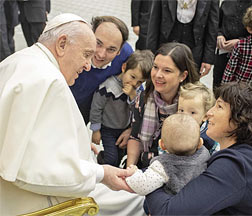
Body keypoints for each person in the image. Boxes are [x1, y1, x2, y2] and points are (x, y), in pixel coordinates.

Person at [0, 13, 144, 216]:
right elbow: (27, 168)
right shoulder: (49, 80)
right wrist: (101, 173)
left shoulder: (21, 59)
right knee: (137, 201)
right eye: (86, 54)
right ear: (62, 44)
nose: (88, 64)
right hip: (39, 199)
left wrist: (78, 143)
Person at [145, 82, 252, 215]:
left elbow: (168, 212)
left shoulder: (234, 165)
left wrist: (149, 181)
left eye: (219, 106)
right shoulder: (247, 159)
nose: (209, 112)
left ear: (239, 120)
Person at [126, 42, 200, 168]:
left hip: (175, 171)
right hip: (143, 167)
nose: (158, 75)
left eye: (167, 70)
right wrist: (130, 168)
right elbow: (135, 137)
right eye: (155, 67)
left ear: (183, 75)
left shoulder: (192, 105)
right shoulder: (144, 98)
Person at [90, 50, 154, 167]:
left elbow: (139, 111)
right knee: (111, 159)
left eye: (140, 82)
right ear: (124, 67)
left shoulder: (138, 91)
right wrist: (96, 130)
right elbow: (96, 108)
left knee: (119, 157)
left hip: (124, 129)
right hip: (108, 129)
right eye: (133, 77)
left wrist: (132, 95)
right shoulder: (108, 87)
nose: (134, 83)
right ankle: (101, 161)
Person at [70, 16, 133, 127]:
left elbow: (136, 85)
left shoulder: (126, 56)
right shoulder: (72, 47)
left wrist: (131, 129)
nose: (101, 54)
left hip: (87, 109)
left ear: (119, 51)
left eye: (111, 49)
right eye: (98, 43)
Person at [126, 114, 210, 196]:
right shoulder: (205, 155)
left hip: (173, 205)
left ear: (162, 145)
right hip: (199, 201)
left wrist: (134, 173)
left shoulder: (163, 166)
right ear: (200, 143)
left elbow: (142, 186)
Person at [146, 0, 219, 77]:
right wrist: (150, 53)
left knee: (189, 83)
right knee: (162, 78)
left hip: (194, 48)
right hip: (166, 43)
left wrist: (208, 59)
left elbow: (212, 28)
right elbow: (154, 22)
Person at [212, 0, 252, 90]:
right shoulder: (226, 3)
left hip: (249, 56)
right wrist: (219, 35)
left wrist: (240, 41)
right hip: (223, 54)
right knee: (219, 86)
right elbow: (216, 24)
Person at [178, 81, 219, 154]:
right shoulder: (174, 126)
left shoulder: (208, 137)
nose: (185, 116)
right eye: (181, 110)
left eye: (192, 112)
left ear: (205, 116)